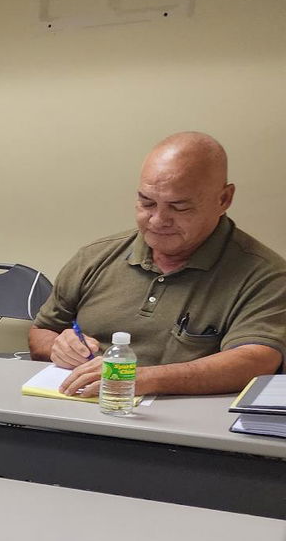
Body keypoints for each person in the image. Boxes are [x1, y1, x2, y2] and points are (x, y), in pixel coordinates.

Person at [29, 131, 286, 397]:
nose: (157, 220)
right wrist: (58, 346)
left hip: (182, 427)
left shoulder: (264, 274)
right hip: (79, 411)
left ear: (223, 200)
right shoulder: (95, 256)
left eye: (179, 207)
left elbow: (256, 360)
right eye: (147, 202)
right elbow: (42, 331)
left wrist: (144, 378)